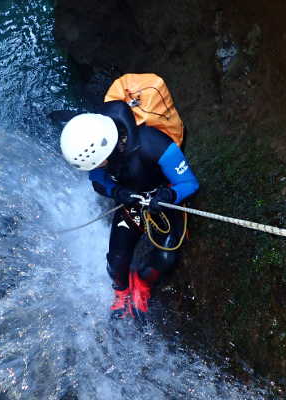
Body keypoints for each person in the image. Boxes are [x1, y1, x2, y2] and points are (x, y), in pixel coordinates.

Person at [59, 100, 199, 319]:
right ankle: (123, 291)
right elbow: (97, 180)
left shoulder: (155, 145)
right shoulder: (101, 150)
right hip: (133, 201)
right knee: (116, 260)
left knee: (165, 258)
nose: (94, 168)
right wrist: (117, 192)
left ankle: (142, 284)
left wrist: (169, 195)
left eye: (96, 163)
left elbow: (189, 183)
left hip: (164, 201)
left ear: (105, 151)